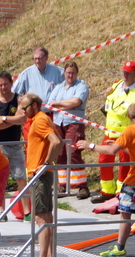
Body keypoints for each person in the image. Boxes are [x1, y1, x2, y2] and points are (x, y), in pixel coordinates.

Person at [77, 103, 135, 257]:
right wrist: (122, 147)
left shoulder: (130, 130)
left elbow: (110, 151)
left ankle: (120, 248)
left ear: (128, 117)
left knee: (125, 214)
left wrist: (90, 145)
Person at [92, 60, 135, 204]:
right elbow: (110, 103)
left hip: (126, 134)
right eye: (124, 71)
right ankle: (107, 191)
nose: (125, 74)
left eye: (128, 72)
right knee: (104, 160)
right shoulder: (116, 85)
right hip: (109, 131)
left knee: (124, 163)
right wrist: (106, 94)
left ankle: (121, 193)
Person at [19, 93, 64, 257]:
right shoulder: (43, 119)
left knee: (40, 217)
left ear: (35, 105)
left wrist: (45, 164)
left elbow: (55, 142)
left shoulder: (39, 121)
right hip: (41, 173)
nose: (23, 111)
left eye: (25, 107)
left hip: (40, 175)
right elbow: (58, 141)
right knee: (46, 216)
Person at [0, 71, 31, 220]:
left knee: (21, 178)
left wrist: (4, 118)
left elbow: (23, 119)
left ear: (11, 83)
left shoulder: (18, 99)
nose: (3, 87)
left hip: (16, 144)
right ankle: (2, 211)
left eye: (5, 84)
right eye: (0, 85)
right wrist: (12, 120)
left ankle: (27, 212)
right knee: (0, 178)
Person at [47, 61, 90, 199]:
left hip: (74, 123)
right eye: (68, 72)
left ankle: (81, 186)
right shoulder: (59, 87)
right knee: (60, 153)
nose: (70, 75)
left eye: (73, 73)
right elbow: (50, 104)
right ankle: (63, 184)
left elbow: (75, 102)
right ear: (64, 73)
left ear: (76, 73)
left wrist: (60, 104)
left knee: (74, 152)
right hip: (58, 122)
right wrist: (65, 105)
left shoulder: (81, 86)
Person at [13, 47, 64, 142]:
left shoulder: (58, 72)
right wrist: (19, 107)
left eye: (39, 58)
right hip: (32, 116)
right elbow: (14, 93)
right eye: (35, 59)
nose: (37, 61)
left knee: (51, 144)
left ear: (46, 58)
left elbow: (70, 82)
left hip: (51, 116)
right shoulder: (26, 74)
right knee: (31, 143)